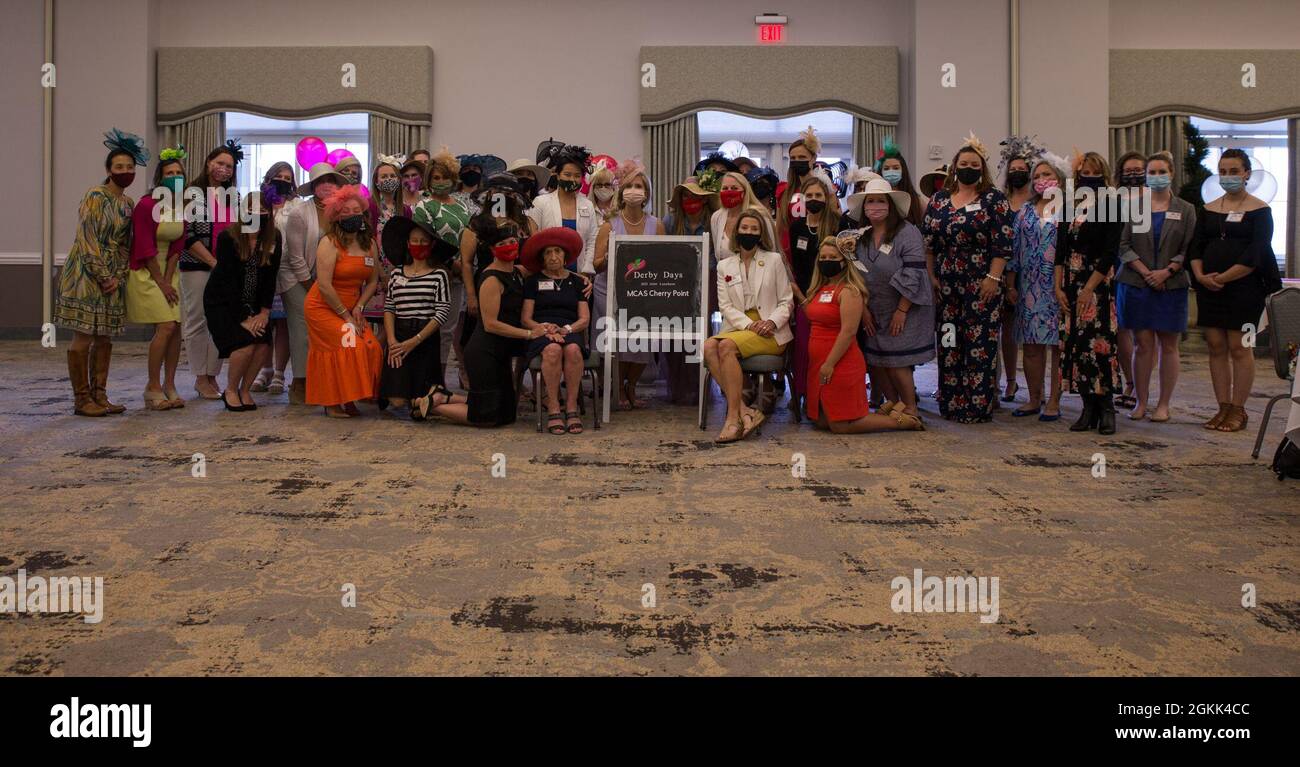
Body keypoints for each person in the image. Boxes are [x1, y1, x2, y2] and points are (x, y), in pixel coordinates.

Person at [413, 220, 548, 427]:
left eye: (512, 241)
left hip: (500, 353)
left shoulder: (517, 272)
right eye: (502, 244)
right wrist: (529, 334)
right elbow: (491, 324)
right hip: (484, 352)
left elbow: (547, 271)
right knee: (486, 417)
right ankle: (433, 405)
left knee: (507, 413)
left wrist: (580, 279)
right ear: (492, 249)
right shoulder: (491, 279)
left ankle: (444, 397)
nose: (509, 246)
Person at [920, 135, 1015, 423]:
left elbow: (1003, 244)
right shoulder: (938, 200)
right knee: (949, 342)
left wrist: (993, 278)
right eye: (963, 164)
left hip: (981, 284)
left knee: (979, 345)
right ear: (954, 167)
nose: (968, 168)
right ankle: (951, 402)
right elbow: (929, 244)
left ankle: (977, 406)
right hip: (947, 286)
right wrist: (931, 276)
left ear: (982, 168)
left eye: (974, 164)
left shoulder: (994, 199)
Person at [55, 128, 145, 416]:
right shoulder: (95, 196)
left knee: (105, 337)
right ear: (108, 169)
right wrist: (103, 275)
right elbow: (87, 238)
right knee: (83, 336)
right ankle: (81, 399)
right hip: (85, 273)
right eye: (119, 167)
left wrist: (117, 276)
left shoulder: (128, 203)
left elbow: (124, 245)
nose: (125, 171)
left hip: (112, 277)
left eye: (130, 167)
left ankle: (100, 395)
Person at [1189, 148, 1279, 433]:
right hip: (1209, 288)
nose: (1228, 177)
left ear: (1246, 173)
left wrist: (1224, 278)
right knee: (1216, 346)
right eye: (1223, 172)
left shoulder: (1260, 210)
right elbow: (1196, 247)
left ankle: (1239, 409)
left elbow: (1257, 253)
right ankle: (1223, 407)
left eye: (1234, 171)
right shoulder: (1209, 209)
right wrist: (1202, 276)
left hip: (1245, 289)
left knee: (1240, 347)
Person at [806, 237, 924, 432]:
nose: (827, 261)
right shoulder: (819, 289)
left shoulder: (850, 291)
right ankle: (887, 412)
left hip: (838, 362)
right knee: (821, 421)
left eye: (833, 257)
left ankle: (902, 421)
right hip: (817, 363)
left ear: (844, 261)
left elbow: (848, 332)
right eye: (823, 257)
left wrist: (829, 363)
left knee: (839, 425)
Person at [1116, 151, 1196, 423]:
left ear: (1172, 174)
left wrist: (1167, 272)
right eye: (1153, 172)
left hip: (1171, 285)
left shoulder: (1186, 209)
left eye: (1162, 172)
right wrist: (1146, 272)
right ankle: (1140, 401)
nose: (1157, 177)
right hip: (1137, 283)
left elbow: (1189, 248)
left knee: (1169, 345)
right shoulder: (1135, 207)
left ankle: (1163, 404)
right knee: (1142, 345)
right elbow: (1123, 245)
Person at [702, 209, 793, 443]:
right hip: (741, 326)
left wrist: (771, 322)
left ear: (761, 233)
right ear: (736, 232)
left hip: (772, 330)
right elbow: (725, 307)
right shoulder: (724, 266)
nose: (749, 233)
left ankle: (732, 418)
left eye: (754, 229)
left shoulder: (773, 260)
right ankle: (745, 410)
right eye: (745, 228)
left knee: (724, 347)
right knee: (708, 347)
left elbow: (786, 301)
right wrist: (751, 325)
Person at [852, 178, 935, 419]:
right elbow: (854, 274)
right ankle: (894, 402)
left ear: (890, 205)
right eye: (870, 201)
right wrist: (864, 310)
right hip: (874, 308)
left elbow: (914, 273)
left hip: (905, 308)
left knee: (898, 360)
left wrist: (901, 310)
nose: (875, 206)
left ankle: (911, 407)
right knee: (877, 360)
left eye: (880, 201)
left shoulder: (907, 233)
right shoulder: (861, 236)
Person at [1056, 151, 1124, 435]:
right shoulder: (1069, 203)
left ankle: (1106, 407)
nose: (1089, 177)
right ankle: (1087, 407)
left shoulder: (1112, 203)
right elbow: (1060, 247)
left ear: (1104, 175)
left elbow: (1111, 252)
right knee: (1076, 346)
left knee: (1099, 347)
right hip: (1070, 283)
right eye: (1084, 173)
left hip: (1097, 285)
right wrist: (1057, 287)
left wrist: (1088, 289)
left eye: (1095, 173)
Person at [303, 186, 384, 417]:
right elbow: (325, 285)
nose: (352, 215)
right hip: (323, 307)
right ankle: (331, 402)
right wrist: (346, 316)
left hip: (352, 307)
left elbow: (372, 280)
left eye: (356, 210)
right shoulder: (329, 243)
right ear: (337, 216)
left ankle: (349, 398)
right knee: (350, 344)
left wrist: (359, 307)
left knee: (372, 346)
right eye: (346, 212)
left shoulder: (369, 244)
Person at [593, 160, 665, 409]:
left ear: (646, 193)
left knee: (643, 341)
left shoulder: (656, 225)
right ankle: (617, 387)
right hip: (611, 291)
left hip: (643, 292)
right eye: (630, 185)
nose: (634, 190)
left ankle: (631, 386)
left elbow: (663, 261)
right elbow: (596, 264)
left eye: (639, 186)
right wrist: (614, 254)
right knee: (619, 343)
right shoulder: (608, 225)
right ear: (621, 192)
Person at [203, 192, 282, 412]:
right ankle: (230, 389)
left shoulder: (274, 237)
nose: (257, 214)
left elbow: (270, 277)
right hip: (223, 303)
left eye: (263, 210)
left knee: (263, 344)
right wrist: (243, 318)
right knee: (245, 344)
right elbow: (227, 282)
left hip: (255, 304)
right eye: (252, 210)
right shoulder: (229, 238)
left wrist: (264, 312)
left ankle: (245, 389)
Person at [280, 162, 347, 404]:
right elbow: (295, 257)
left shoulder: (342, 210)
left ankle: (322, 381)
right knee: (303, 330)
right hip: (298, 278)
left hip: (326, 280)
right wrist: (313, 287)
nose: (327, 186)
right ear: (314, 186)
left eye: (331, 181)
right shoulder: (300, 212)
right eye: (321, 182)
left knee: (325, 332)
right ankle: (299, 383)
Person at [180, 142, 242, 400]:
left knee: (220, 321)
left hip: (225, 268)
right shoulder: (192, 193)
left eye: (229, 166)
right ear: (208, 163)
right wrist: (213, 262)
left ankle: (213, 374)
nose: (224, 169)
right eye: (219, 163)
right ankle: (199, 376)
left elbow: (238, 233)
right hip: (197, 265)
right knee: (197, 320)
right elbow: (188, 235)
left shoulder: (234, 197)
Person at [127, 145, 187, 411]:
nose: (174, 176)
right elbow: (144, 245)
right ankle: (152, 387)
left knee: (176, 329)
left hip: (169, 271)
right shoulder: (146, 205)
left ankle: (170, 384)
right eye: (169, 172)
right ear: (160, 178)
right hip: (146, 271)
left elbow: (177, 246)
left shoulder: (179, 206)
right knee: (165, 326)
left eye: (179, 173)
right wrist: (161, 282)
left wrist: (170, 278)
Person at [1008, 155, 1068, 421]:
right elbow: (1014, 248)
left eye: (1047, 175)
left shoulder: (1070, 209)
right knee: (1032, 345)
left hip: (1059, 285)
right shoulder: (1025, 211)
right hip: (1029, 285)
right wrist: (1010, 283)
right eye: (1038, 177)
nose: (1042, 180)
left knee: (1057, 346)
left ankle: (1054, 400)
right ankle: (1034, 398)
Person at [379, 215, 455, 417]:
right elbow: (389, 308)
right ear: (407, 243)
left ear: (431, 245)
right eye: (414, 240)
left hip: (425, 337)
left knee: (419, 402)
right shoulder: (397, 274)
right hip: (400, 335)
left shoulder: (439, 275)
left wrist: (415, 340)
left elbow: (442, 312)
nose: (418, 244)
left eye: (423, 241)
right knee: (396, 401)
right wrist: (392, 340)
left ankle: (444, 398)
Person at [521, 228, 591, 434]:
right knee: (552, 350)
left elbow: (584, 319)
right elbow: (525, 318)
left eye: (557, 252)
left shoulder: (578, 282)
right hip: (541, 332)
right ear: (542, 257)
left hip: (570, 330)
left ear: (565, 256)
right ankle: (553, 407)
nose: (553, 257)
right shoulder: (533, 281)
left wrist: (567, 329)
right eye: (548, 253)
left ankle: (571, 408)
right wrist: (542, 328)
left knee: (572, 351)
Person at [784, 170, 842, 413]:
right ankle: (802, 394)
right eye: (809, 195)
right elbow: (793, 264)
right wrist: (799, 294)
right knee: (804, 350)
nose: (814, 198)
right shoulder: (797, 227)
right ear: (802, 198)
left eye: (818, 194)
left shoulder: (840, 224)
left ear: (827, 197)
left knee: (826, 349)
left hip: (833, 297)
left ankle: (827, 396)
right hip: (805, 297)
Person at [996, 136, 1043, 405]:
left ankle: (1038, 390)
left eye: (1021, 170)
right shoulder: (1001, 201)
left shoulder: (1039, 201)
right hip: (1005, 271)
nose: (1017, 173)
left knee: (1036, 335)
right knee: (1008, 328)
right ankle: (1011, 381)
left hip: (1034, 271)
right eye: (1012, 170)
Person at [251, 161, 299, 395]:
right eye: (279, 176)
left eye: (288, 178)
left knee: (283, 324)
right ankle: (265, 369)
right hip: (261, 269)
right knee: (263, 323)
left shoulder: (297, 205)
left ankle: (280, 372)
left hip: (287, 270)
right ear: (269, 178)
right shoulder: (258, 203)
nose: (283, 180)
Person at [527, 144, 598, 278]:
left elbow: (592, 241)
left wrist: (585, 272)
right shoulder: (540, 202)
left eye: (577, 176)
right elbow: (534, 240)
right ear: (558, 175)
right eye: (567, 174)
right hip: (546, 275)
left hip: (580, 277)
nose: (572, 179)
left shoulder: (588, 205)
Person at [1112, 150, 1148, 410]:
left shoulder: (1154, 199)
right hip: (1114, 265)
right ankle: (1129, 382)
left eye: (1139, 170)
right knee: (1120, 329)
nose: (1133, 175)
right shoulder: (1112, 198)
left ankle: (1143, 386)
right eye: (1129, 171)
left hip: (1144, 267)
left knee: (1143, 333)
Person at [874, 138, 927, 228]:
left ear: (903, 170)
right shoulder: (875, 196)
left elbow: (926, 222)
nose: (891, 172)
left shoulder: (915, 199)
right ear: (880, 172)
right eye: (886, 168)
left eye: (896, 168)